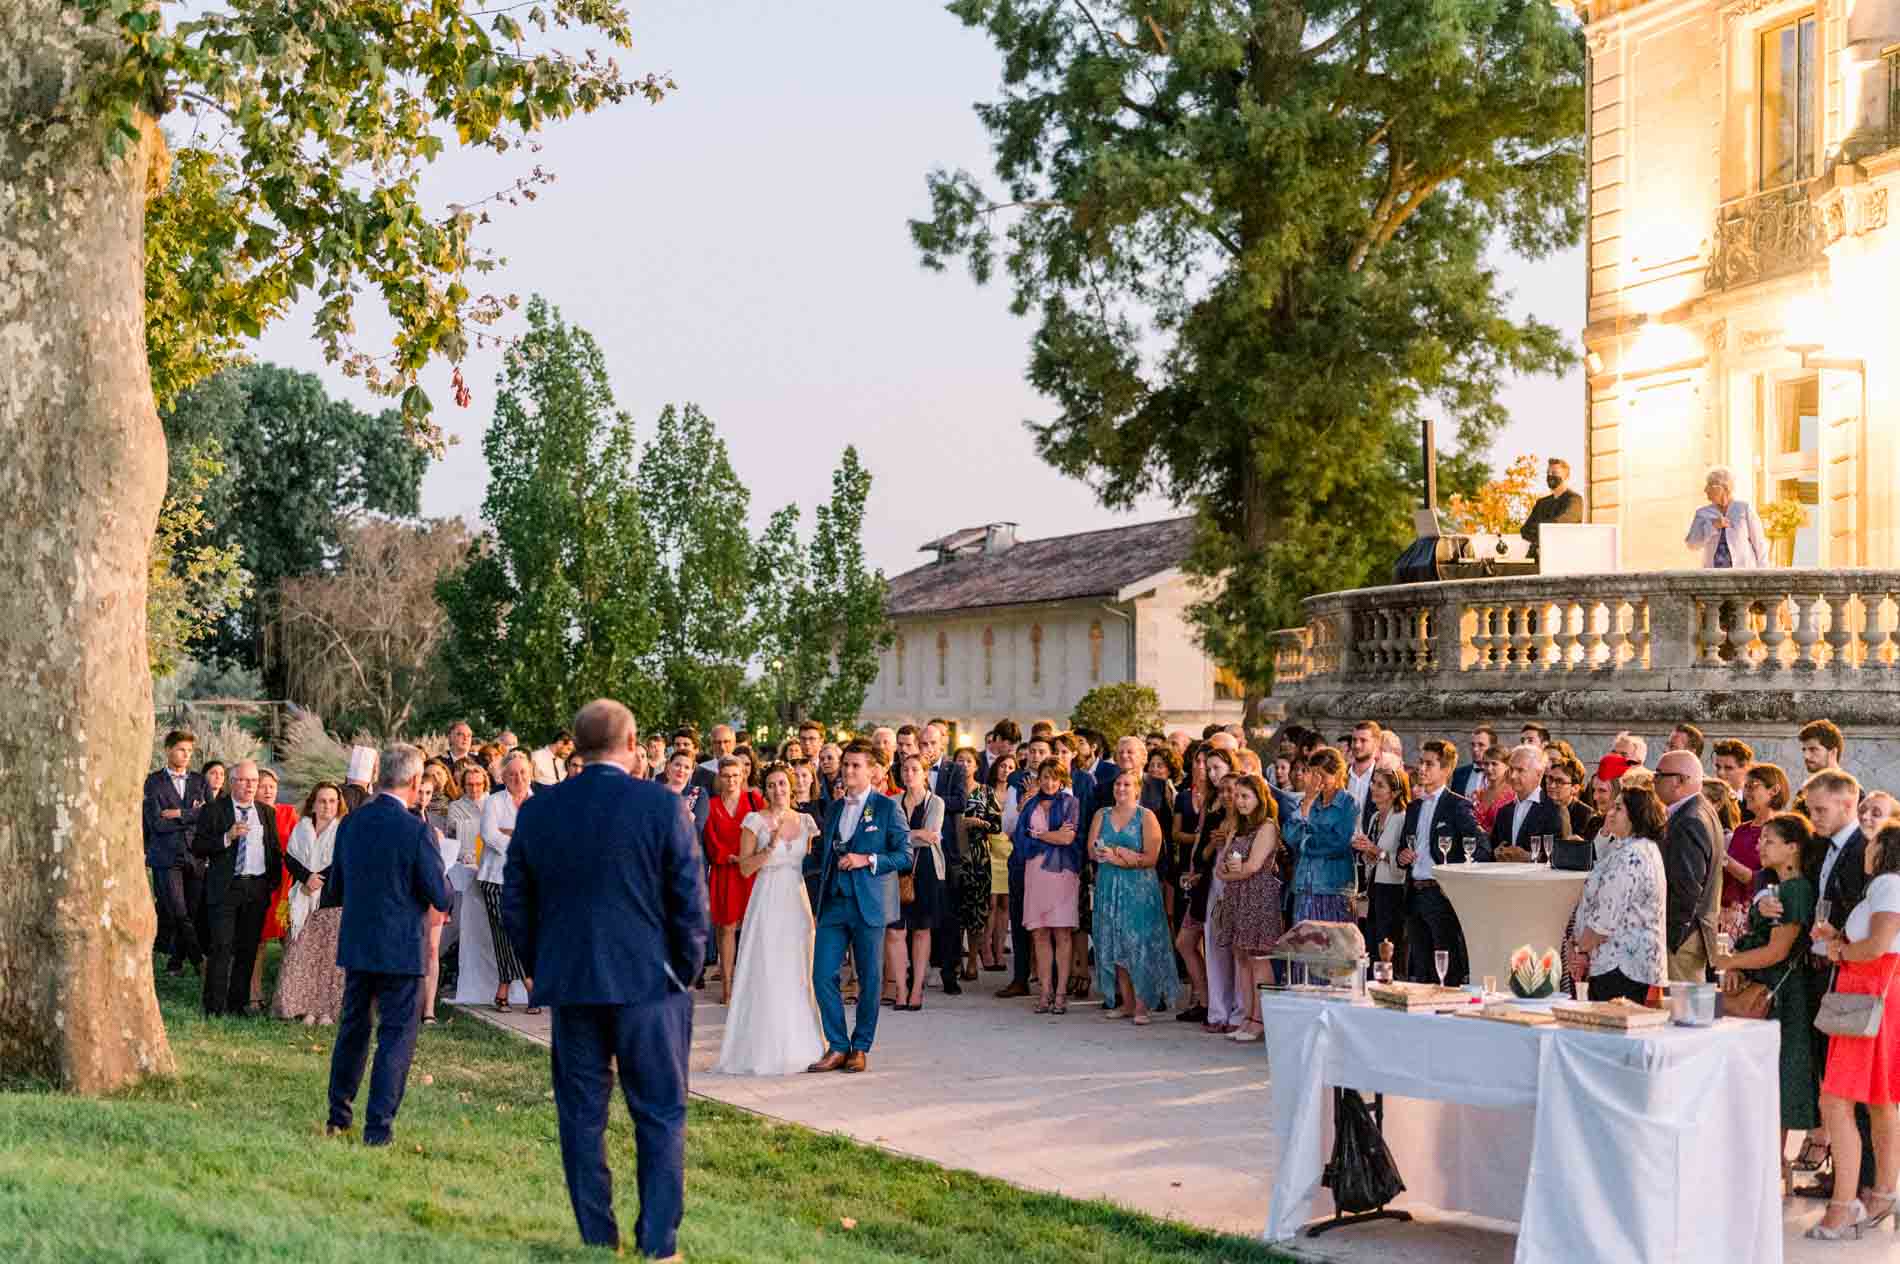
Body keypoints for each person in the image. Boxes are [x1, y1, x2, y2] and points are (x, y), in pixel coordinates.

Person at [499, 702, 706, 1257]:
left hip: (574, 982)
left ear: (576, 746)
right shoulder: (660, 806)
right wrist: (683, 971)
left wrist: (541, 965)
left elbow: (515, 901)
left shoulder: (542, 811)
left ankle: (597, 1238)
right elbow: (689, 899)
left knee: (582, 1116)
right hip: (650, 985)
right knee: (659, 1113)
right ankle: (659, 1243)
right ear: (633, 742)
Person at [323, 744, 452, 1145]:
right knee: (395, 1037)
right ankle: (378, 1129)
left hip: (360, 941)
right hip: (402, 947)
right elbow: (441, 896)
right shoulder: (418, 831)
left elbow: (336, 887)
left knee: (353, 1030)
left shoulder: (351, 824)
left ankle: (337, 1117)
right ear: (415, 782)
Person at [1711, 812, 1821, 1192]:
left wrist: (1728, 961)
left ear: (1793, 848)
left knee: (1776, 1076)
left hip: (1781, 994)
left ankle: (1773, 1168)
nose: (1760, 846)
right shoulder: (1776, 887)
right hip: (1767, 986)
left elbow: (1778, 951)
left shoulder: (1795, 890)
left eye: (1770, 841)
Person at [1805, 821, 1900, 1240]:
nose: (1866, 844)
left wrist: (1840, 949)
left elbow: (1878, 945)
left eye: (1874, 840)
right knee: (1880, 1101)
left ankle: (1842, 1207)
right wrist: (1839, 936)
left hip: (1867, 993)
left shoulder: (1887, 884)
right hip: (1878, 994)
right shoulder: (1884, 887)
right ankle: (1882, 1193)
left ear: (1885, 850)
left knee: (1836, 1101)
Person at [804, 740, 913, 1073]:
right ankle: (837, 1045)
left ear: (871, 771)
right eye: (846, 765)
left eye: (855, 765)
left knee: (869, 978)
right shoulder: (835, 808)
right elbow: (823, 851)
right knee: (821, 974)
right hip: (834, 903)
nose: (848, 770)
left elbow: (905, 855)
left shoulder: (886, 807)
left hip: (869, 904)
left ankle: (860, 1046)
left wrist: (868, 859)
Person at [711, 764, 824, 1075]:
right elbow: (746, 869)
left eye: (783, 784)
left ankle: (803, 1043)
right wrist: (770, 846)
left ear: (792, 786)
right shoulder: (753, 821)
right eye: (772, 785)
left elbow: (807, 862)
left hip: (796, 898)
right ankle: (763, 1047)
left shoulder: (806, 821)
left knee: (797, 968)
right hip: (767, 897)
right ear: (765, 789)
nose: (778, 790)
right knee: (767, 967)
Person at [190, 760, 285, 1017]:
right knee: (221, 947)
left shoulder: (266, 812)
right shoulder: (215, 810)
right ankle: (214, 1006)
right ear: (232, 783)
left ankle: (237, 1004)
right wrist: (227, 837)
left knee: (248, 949)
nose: (250, 786)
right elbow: (197, 846)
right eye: (244, 780)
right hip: (225, 888)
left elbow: (274, 849)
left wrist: (270, 883)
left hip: (256, 889)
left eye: (253, 781)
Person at [1090, 767, 1181, 1027]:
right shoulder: (1102, 814)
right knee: (1115, 942)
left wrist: (1118, 854)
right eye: (1118, 784)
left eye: (1127, 785)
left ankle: (1143, 1004)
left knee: (1138, 945)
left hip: (1139, 889)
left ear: (1137, 790)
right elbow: (1091, 849)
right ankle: (1127, 1002)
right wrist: (1112, 856)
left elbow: (1151, 858)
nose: (1121, 789)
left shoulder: (1146, 816)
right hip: (1108, 886)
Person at [1567, 783, 1669, 1005]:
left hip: (1621, 968)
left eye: (1618, 808)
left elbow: (1605, 919)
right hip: (1622, 965)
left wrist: (1579, 950)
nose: (1609, 813)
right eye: (1612, 807)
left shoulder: (1631, 855)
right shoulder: (1628, 847)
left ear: (1637, 816)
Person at [1400, 739, 1481, 986]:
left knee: (1445, 965)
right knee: (1420, 966)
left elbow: (1479, 847)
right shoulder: (1413, 807)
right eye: (1420, 763)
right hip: (1414, 892)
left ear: (1445, 770)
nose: (1421, 768)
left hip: (1440, 893)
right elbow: (1404, 848)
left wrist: (1455, 881)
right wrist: (1402, 856)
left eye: (1429, 764)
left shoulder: (1457, 805)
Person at [1209, 774, 1284, 1042]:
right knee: (1242, 958)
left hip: (1258, 898)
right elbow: (1221, 868)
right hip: (1236, 897)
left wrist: (1232, 873)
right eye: (1237, 796)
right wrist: (1231, 873)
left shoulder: (1267, 826)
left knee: (1259, 958)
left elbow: (1252, 867)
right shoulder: (1236, 828)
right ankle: (1247, 1016)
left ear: (1259, 798)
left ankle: (1261, 1019)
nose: (1239, 801)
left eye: (1245, 796)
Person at [1013, 759, 1083, 1015]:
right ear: (1038, 778)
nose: (1049, 782)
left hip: (1062, 873)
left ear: (1062, 780)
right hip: (1034, 872)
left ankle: (1061, 993)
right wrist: (1048, 836)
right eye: (1045, 777)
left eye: (1054, 778)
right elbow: (1019, 838)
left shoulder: (1070, 803)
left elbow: (1067, 837)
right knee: (1039, 933)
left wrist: (1039, 835)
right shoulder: (1029, 805)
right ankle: (1045, 992)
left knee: (1062, 933)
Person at [275, 781, 348, 1024]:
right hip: (302, 898)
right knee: (302, 956)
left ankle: (326, 1011)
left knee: (328, 961)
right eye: (322, 801)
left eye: (332, 801)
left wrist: (318, 879)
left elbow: (340, 862)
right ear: (313, 804)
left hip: (332, 901)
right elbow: (291, 858)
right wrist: (306, 878)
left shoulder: (343, 830)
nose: (327, 806)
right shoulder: (302, 827)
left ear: (338, 805)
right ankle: (302, 1008)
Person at [1655, 750, 1724, 982]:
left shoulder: (1689, 819)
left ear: (1680, 780)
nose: (1654, 780)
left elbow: (1687, 888)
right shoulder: (1697, 810)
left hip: (1683, 937)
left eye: (1659, 775)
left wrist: (1674, 937)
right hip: (1689, 931)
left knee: (1681, 1008)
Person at [144, 729, 208, 977]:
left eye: (190, 751)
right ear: (168, 750)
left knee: (190, 912)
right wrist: (192, 814)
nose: (186, 755)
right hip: (166, 856)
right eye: (182, 749)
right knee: (178, 911)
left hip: (196, 855)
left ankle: (175, 962)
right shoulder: (153, 782)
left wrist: (179, 813)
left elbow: (208, 816)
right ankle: (199, 960)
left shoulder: (199, 781)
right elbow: (156, 824)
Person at [702, 755, 764, 1006]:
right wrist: (725, 855)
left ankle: (752, 985)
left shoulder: (754, 800)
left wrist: (751, 857)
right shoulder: (712, 803)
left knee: (752, 928)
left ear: (743, 776)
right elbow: (709, 836)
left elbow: (765, 828)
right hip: (724, 871)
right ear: (719, 777)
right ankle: (727, 985)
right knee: (726, 928)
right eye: (726, 776)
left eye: (735, 775)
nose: (731, 780)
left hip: (749, 871)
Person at [886, 751, 945, 1011]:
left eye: (914, 769)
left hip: (927, 870)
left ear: (924, 773)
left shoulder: (936, 803)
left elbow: (930, 835)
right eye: (905, 770)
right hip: (895, 871)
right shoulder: (892, 802)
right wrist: (915, 834)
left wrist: (903, 836)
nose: (909, 774)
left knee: (922, 929)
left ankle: (917, 988)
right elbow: (889, 837)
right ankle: (900, 988)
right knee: (895, 930)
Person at [478, 752, 536, 1011]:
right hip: (495, 878)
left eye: (522, 772)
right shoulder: (493, 801)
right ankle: (530, 984)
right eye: (511, 774)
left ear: (531, 773)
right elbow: (489, 835)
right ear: (502, 777)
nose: (518, 778)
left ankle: (502, 990)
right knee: (506, 931)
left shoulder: (541, 803)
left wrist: (510, 834)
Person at [1284, 747, 1357, 924]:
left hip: (1333, 886)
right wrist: (1307, 802)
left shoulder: (1348, 803)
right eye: (1313, 774)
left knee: (1332, 944)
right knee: (1304, 944)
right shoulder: (1308, 800)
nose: (1317, 781)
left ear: (1338, 775)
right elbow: (1289, 834)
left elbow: (1338, 842)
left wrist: (1305, 842)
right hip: (1304, 884)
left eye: (1322, 775)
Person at [250, 768, 298, 1010]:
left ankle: (288, 997)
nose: (267, 790)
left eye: (271, 786)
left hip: (286, 888)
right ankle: (254, 994)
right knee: (256, 941)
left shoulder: (289, 813)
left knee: (289, 939)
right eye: (262, 786)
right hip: (260, 886)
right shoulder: (249, 814)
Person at [1353, 766, 1411, 964]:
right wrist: (1366, 853)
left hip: (1393, 893)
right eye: (1373, 783)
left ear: (1394, 793)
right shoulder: (1375, 817)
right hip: (1374, 890)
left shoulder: (1402, 818)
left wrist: (1376, 851)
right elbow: (1373, 857)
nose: (1373, 789)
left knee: (1388, 947)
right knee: (1371, 946)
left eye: (1380, 785)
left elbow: (1400, 863)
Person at [1727, 763, 1790, 914]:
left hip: (1760, 911)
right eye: (1745, 786)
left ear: (1774, 790)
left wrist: (1723, 859)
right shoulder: (1741, 830)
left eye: (1752, 786)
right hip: (1729, 915)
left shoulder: (1783, 831)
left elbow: (1765, 878)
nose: (1745, 792)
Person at [1685, 465, 1768, 568]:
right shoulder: (1702, 513)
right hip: (1713, 576)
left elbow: (1759, 544)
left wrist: (1762, 573)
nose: (1705, 490)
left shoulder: (1744, 509)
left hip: (1743, 575)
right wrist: (1712, 526)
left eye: (1709, 485)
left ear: (1722, 487)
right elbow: (1692, 545)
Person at [1489, 744, 1561, 861]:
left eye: (1520, 770)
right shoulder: (1504, 811)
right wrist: (1496, 853)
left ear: (1539, 774)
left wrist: (1529, 857)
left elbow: (1561, 856)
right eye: (1511, 769)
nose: (1513, 775)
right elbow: (1492, 849)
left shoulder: (1555, 809)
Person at [1521, 457, 1583, 559]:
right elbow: (1525, 530)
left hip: (1561, 557)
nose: (1550, 475)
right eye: (1548, 473)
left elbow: (1559, 524)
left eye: (1554, 473)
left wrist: (1537, 528)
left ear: (1566, 476)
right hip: (1535, 557)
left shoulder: (1575, 500)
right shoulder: (1541, 503)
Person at [447, 762, 490, 865]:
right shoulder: (455, 806)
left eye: (478, 784)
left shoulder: (495, 803)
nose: (474, 789)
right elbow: (452, 832)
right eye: (470, 785)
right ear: (463, 785)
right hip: (465, 861)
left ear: (485, 784)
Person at [1472, 747, 1515, 834]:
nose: (1489, 768)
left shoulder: (1513, 794)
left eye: (1494, 764)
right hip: (1476, 844)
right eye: (1486, 764)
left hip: (1501, 845)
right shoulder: (1478, 794)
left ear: (1507, 766)